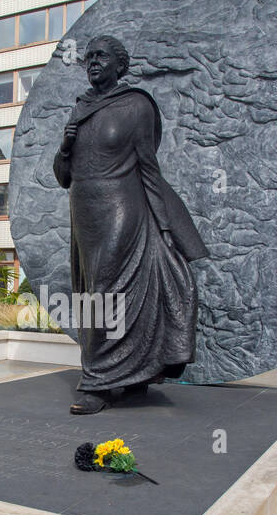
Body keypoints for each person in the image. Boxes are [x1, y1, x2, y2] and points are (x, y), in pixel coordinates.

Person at [54, 35, 209, 415]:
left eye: (101, 56)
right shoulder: (81, 108)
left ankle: (99, 382)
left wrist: (167, 227)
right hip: (84, 213)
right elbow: (62, 176)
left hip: (123, 207)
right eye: (88, 57)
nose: (92, 63)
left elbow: (149, 170)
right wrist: (65, 145)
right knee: (91, 294)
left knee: (107, 288)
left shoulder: (136, 106)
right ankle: (133, 375)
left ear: (120, 65)